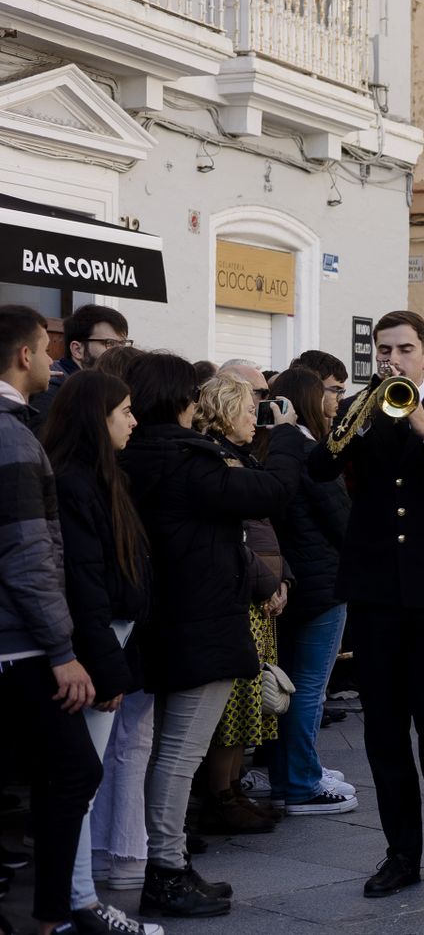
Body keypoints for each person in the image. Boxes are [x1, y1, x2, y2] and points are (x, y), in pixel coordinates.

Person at [306, 311, 424, 898]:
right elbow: (318, 469)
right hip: (376, 587)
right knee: (384, 728)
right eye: (384, 351)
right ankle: (400, 852)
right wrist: (348, 423)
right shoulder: (359, 409)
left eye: (405, 349)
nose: (393, 360)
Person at [120, 352, 303, 918]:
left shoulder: (138, 456)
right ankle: (166, 869)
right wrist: (289, 435)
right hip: (199, 620)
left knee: (156, 752)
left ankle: (156, 862)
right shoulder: (184, 460)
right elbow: (270, 494)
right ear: (179, 400)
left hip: (164, 617)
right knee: (180, 754)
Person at [39, 371, 164, 935]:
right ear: (97, 418)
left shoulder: (96, 477)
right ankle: (78, 901)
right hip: (94, 644)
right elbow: (83, 584)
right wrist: (107, 666)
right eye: (125, 412)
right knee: (79, 781)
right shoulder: (74, 483)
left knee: (82, 778)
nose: (134, 422)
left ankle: (79, 898)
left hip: (108, 638)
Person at [0, 306, 103, 935]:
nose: (52, 359)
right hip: (20, 642)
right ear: (23, 356)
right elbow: (28, 552)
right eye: (46, 349)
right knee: (73, 769)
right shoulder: (12, 435)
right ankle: (53, 916)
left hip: (16, 637)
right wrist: (62, 650)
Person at [191, 374, 288, 838]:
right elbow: (238, 537)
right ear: (227, 411)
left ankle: (232, 788)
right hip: (241, 592)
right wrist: (269, 580)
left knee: (250, 700)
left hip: (258, 590)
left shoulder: (239, 456)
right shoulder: (217, 461)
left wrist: (279, 577)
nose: (257, 417)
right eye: (250, 409)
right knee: (233, 702)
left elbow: (263, 528)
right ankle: (220, 795)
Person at [261, 367, 356, 816]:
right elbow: (341, 521)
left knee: (284, 687)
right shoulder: (306, 449)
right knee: (308, 689)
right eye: (330, 393)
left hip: (289, 582)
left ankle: (292, 774)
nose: (336, 400)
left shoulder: (270, 448)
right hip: (320, 583)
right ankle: (301, 782)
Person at [29, 303, 130, 424]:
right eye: (110, 343)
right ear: (77, 350)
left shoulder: (101, 387)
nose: (120, 351)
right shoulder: (52, 390)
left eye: (123, 344)